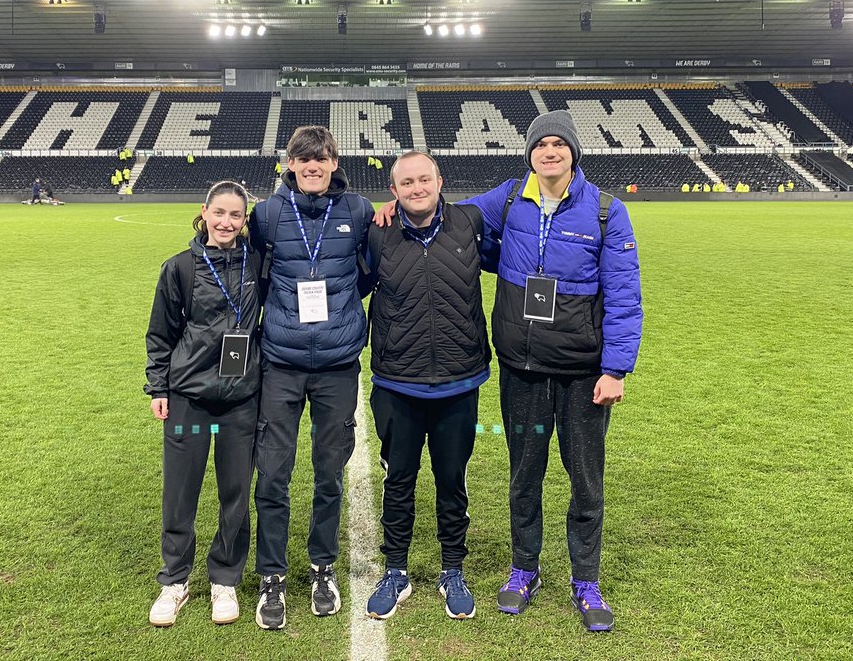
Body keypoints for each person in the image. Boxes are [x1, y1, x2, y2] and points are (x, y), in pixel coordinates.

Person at [373, 109, 642, 632]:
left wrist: (616, 368)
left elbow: (625, 297)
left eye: (558, 145)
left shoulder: (608, 212)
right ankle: (524, 570)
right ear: (529, 154)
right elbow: (446, 213)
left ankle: (585, 580)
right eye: (539, 145)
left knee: (585, 481)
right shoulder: (508, 197)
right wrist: (397, 206)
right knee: (524, 477)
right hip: (522, 368)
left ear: (573, 152)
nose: (549, 153)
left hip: (584, 373)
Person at [250, 125, 373, 630]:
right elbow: (250, 269)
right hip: (280, 362)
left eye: (321, 158)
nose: (313, 167)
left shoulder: (361, 211)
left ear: (334, 161)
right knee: (273, 474)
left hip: (338, 366)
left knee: (329, 475)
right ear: (290, 164)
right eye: (304, 160)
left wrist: (343, 314)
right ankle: (272, 575)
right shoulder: (268, 214)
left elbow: (372, 271)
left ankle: (322, 567)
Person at [358, 151, 489, 621]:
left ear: (440, 181)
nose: (416, 188)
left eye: (423, 179)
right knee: (399, 479)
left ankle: (453, 569)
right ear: (393, 191)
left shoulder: (470, 222)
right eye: (406, 182)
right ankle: (396, 571)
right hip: (397, 381)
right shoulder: (377, 230)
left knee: (452, 481)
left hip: (459, 379)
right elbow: (352, 286)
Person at [144, 181, 264, 628]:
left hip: (240, 401)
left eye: (236, 215)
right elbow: (160, 335)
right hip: (188, 400)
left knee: (235, 494)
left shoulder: (259, 264)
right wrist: (159, 388)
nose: (227, 222)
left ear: (244, 220)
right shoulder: (179, 268)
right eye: (220, 213)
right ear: (205, 212)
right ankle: (175, 580)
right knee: (180, 495)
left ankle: (225, 579)